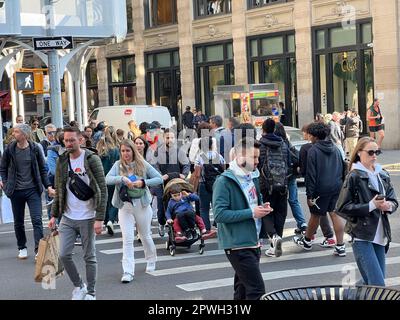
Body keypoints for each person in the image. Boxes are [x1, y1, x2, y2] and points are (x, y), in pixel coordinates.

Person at [48, 126, 107, 300]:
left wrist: (99, 218)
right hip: (68, 216)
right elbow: (59, 189)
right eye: (66, 140)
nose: (68, 143)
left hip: (88, 217)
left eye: (72, 140)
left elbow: (102, 189)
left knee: (89, 256)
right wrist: (54, 215)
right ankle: (79, 286)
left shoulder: (91, 159)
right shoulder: (62, 160)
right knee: (64, 255)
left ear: (80, 140)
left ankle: (91, 292)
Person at [213, 137, 272, 300]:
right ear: (240, 157)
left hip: (252, 240)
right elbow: (219, 215)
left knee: (243, 289)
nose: (257, 161)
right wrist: (252, 212)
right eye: (253, 157)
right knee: (257, 290)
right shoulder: (224, 181)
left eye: (258, 157)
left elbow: (253, 201)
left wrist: (262, 206)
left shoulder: (251, 176)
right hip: (237, 244)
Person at [336, 137, 398, 286]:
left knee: (372, 282)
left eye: (377, 152)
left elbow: (394, 201)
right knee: (378, 285)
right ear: (359, 153)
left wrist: (388, 205)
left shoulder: (382, 174)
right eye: (370, 152)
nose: (374, 155)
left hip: (380, 235)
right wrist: (371, 205)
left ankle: (349, 295)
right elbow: (342, 207)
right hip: (362, 236)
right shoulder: (354, 176)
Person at [106, 139, 163, 283]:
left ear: (133, 151)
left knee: (145, 236)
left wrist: (143, 182)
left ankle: (151, 260)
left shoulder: (142, 163)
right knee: (127, 239)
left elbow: (159, 179)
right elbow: (107, 179)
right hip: (125, 206)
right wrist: (121, 178)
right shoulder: (117, 165)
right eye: (123, 151)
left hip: (142, 205)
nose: (125, 153)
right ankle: (128, 271)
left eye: (128, 150)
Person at [0, 124, 54, 259]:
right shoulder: (10, 149)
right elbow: (3, 168)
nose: (13, 134)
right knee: (18, 221)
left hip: (33, 190)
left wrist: (47, 186)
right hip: (15, 191)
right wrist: (6, 184)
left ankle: (38, 250)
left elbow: (43, 168)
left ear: (25, 135)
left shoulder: (35, 148)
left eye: (17, 132)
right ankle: (22, 247)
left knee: (37, 220)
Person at [293, 122, 346, 256]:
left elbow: (311, 175)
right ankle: (340, 246)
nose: (309, 136)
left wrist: (310, 194)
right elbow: (342, 168)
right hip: (336, 187)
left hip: (320, 189)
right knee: (334, 214)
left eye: (310, 134)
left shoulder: (313, 151)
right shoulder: (335, 148)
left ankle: (307, 241)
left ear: (314, 136)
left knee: (315, 215)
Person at [258, 119, 289, 258]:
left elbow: (257, 165)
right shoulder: (283, 144)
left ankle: (273, 238)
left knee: (267, 212)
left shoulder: (260, 145)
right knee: (280, 213)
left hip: (266, 184)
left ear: (263, 129)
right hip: (282, 183)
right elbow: (288, 162)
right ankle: (276, 242)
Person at [151, 129, 190, 237]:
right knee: (161, 206)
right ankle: (161, 223)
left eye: (172, 137)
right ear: (164, 139)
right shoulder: (158, 152)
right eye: (167, 137)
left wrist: (184, 174)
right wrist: (160, 176)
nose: (170, 140)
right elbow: (154, 166)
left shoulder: (179, 152)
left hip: (176, 182)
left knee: (178, 205)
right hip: (162, 183)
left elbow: (186, 164)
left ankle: (178, 228)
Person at [274, 123, 307, 235]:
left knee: (277, 202)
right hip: (290, 175)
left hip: (277, 177)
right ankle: (302, 223)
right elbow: (296, 157)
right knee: (293, 200)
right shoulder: (287, 142)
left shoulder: (273, 143)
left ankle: (276, 228)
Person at [191, 136, 225, 233]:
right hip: (218, 185)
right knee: (217, 206)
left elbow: (197, 175)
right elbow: (224, 171)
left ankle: (207, 229)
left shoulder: (200, 157)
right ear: (211, 145)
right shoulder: (219, 156)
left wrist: (194, 189)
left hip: (204, 185)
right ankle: (219, 226)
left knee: (204, 208)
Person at [96, 135, 120, 235]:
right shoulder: (115, 151)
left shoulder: (98, 152)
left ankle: (106, 222)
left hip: (101, 179)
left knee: (104, 200)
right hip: (113, 178)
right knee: (114, 200)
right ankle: (111, 220)